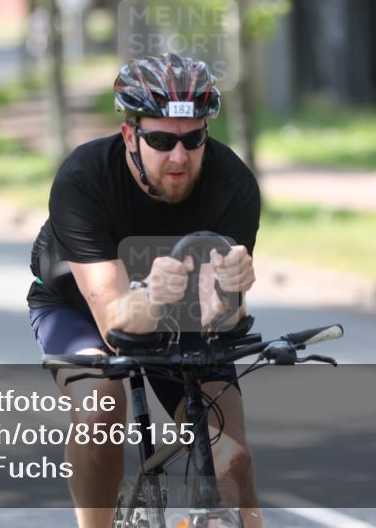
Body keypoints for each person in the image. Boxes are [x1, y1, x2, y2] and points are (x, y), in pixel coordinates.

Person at [27, 53, 263, 527]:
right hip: (79, 305)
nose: (179, 156)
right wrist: (152, 295)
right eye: (161, 140)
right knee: (102, 403)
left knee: (230, 459)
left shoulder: (232, 183)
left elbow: (223, 319)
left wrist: (231, 300)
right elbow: (115, 322)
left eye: (193, 140)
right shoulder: (84, 179)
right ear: (130, 135)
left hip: (183, 309)